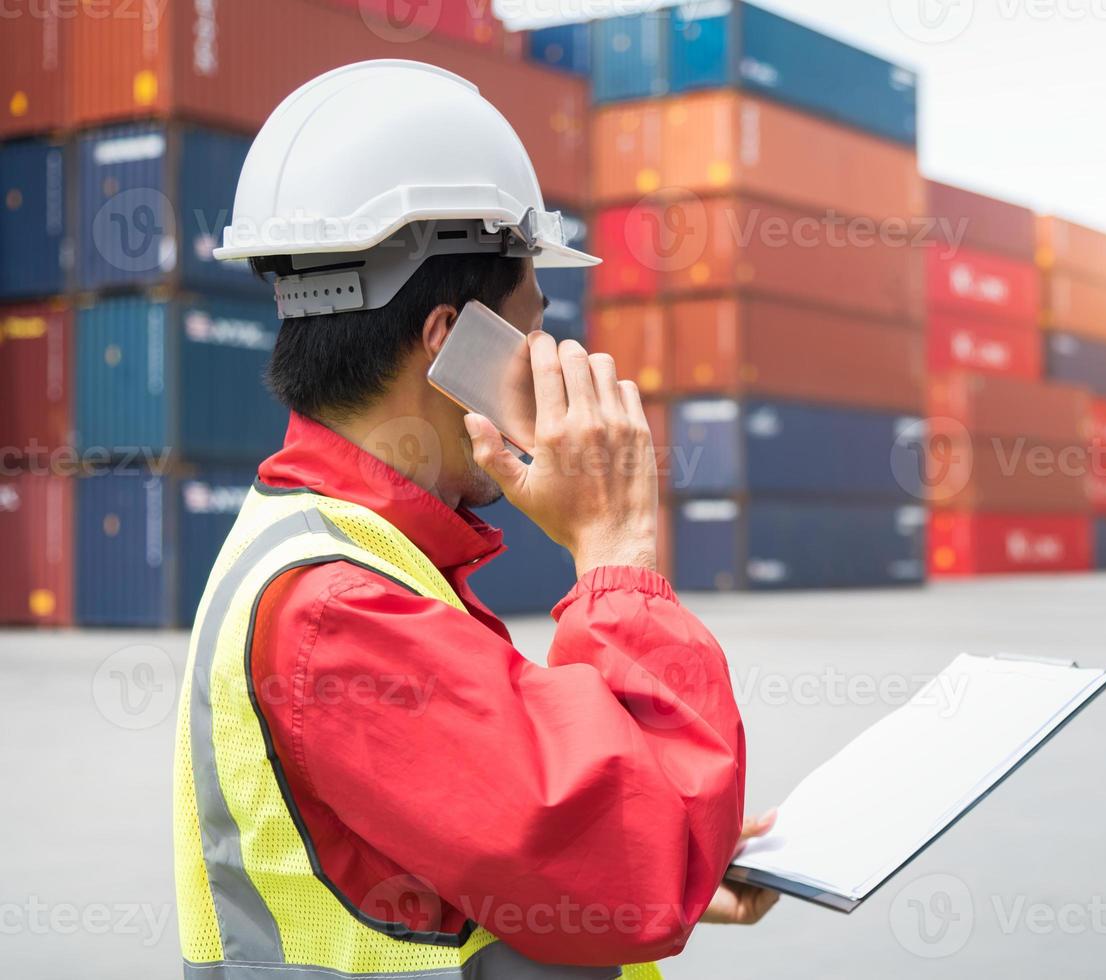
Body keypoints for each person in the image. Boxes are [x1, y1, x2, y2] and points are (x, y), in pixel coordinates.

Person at [172, 60, 775, 980]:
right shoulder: (337, 611)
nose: (549, 364)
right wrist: (616, 553)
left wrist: (682, 860)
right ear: (451, 344)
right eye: (533, 329)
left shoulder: (342, 551)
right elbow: (638, 868)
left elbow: (483, 847)